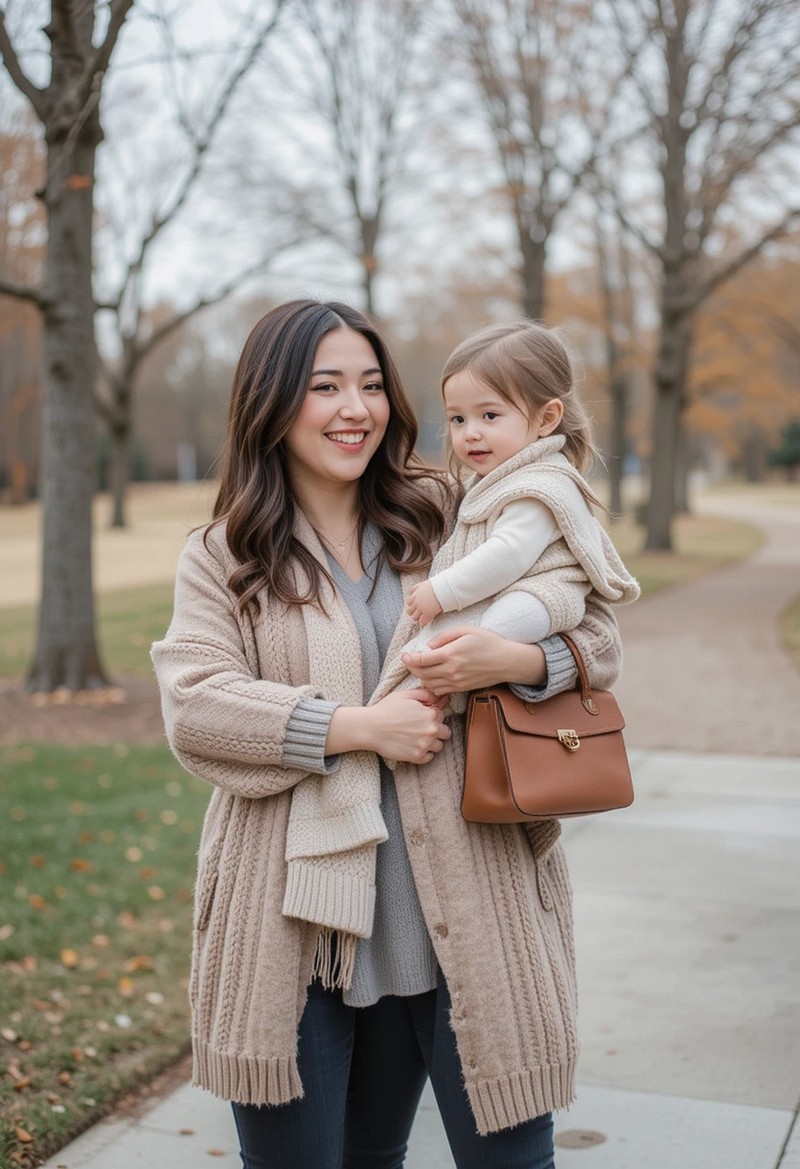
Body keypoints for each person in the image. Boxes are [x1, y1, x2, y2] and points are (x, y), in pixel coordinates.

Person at [151, 299, 625, 1169]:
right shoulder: (226, 555)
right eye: (325, 385)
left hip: (474, 912)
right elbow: (196, 705)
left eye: (371, 384)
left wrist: (512, 660)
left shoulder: (452, 512)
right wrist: (357, 726)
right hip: (294, 933)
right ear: (272, 402)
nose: (355, 408)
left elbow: (596, 636)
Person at [400, 321, 639, 690]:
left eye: (489, 415)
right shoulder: (496, 481)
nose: (470, 432)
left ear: (546, 419)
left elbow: (508, 553)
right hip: (528, 600)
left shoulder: (537, 485)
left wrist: (442, 591)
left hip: (543, 597)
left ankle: (440, 667)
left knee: (490, 628)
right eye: (458, 419)